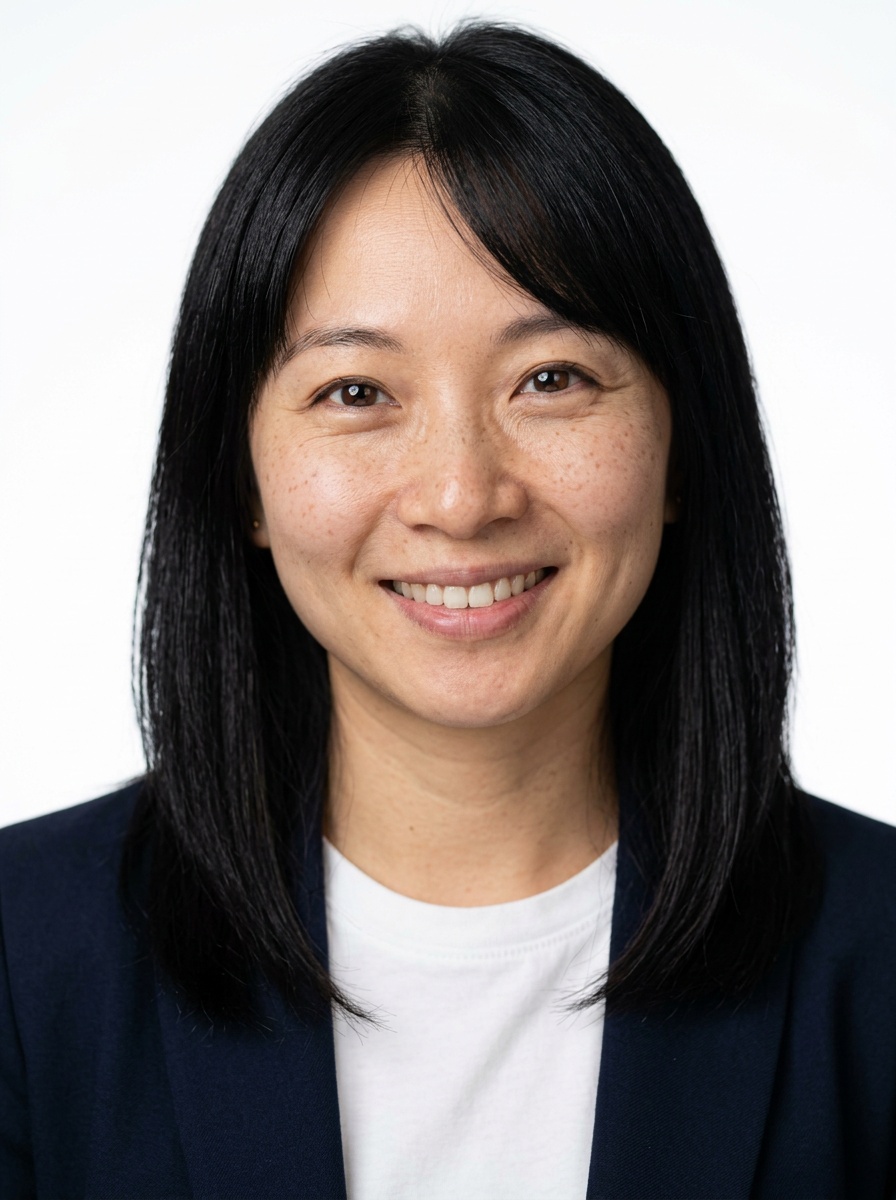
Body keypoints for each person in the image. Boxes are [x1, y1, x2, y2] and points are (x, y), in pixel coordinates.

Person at [1, 21, 894, 1200]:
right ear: (244, 481)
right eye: (355, 391)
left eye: (551, 379)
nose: (462, 497)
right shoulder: (24, 959)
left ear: (682, 449)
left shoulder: (875, 960)